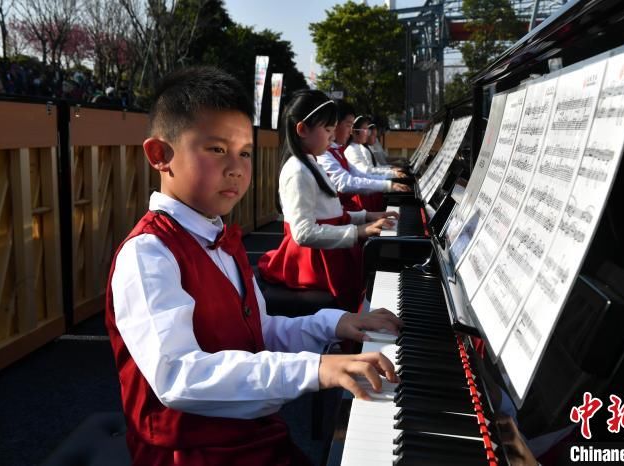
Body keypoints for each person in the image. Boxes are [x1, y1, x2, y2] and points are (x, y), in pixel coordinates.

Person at [105, 67, 402, 466]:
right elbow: (179, 377)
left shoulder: (221, 241)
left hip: (251, 436)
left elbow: (259, 332)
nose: (236, 167)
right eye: (216, 149)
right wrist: (314, 369)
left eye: (244, 152)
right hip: (190, 453)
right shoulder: (147, 254)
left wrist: (333, 324)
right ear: (160, 155)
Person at [258, 90, 398, 313]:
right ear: (302, 129)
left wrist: (367, 217)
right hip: (314, 262)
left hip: (329, 253)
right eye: (328, 129)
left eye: (334, 129)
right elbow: (303, 233)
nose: (333, 137)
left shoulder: (311, 162)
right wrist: (358, 231)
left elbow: (329, 212)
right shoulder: (297, 170)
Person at [317, 100, 411, 213]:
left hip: (346, 210)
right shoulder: (328, 153)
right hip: (346, 209)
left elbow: (359, 174)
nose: (350, 131)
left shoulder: (339, 150)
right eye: (348, 125)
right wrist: (389, 181)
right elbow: (346, 182)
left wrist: (390, 181)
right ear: (335, 125)